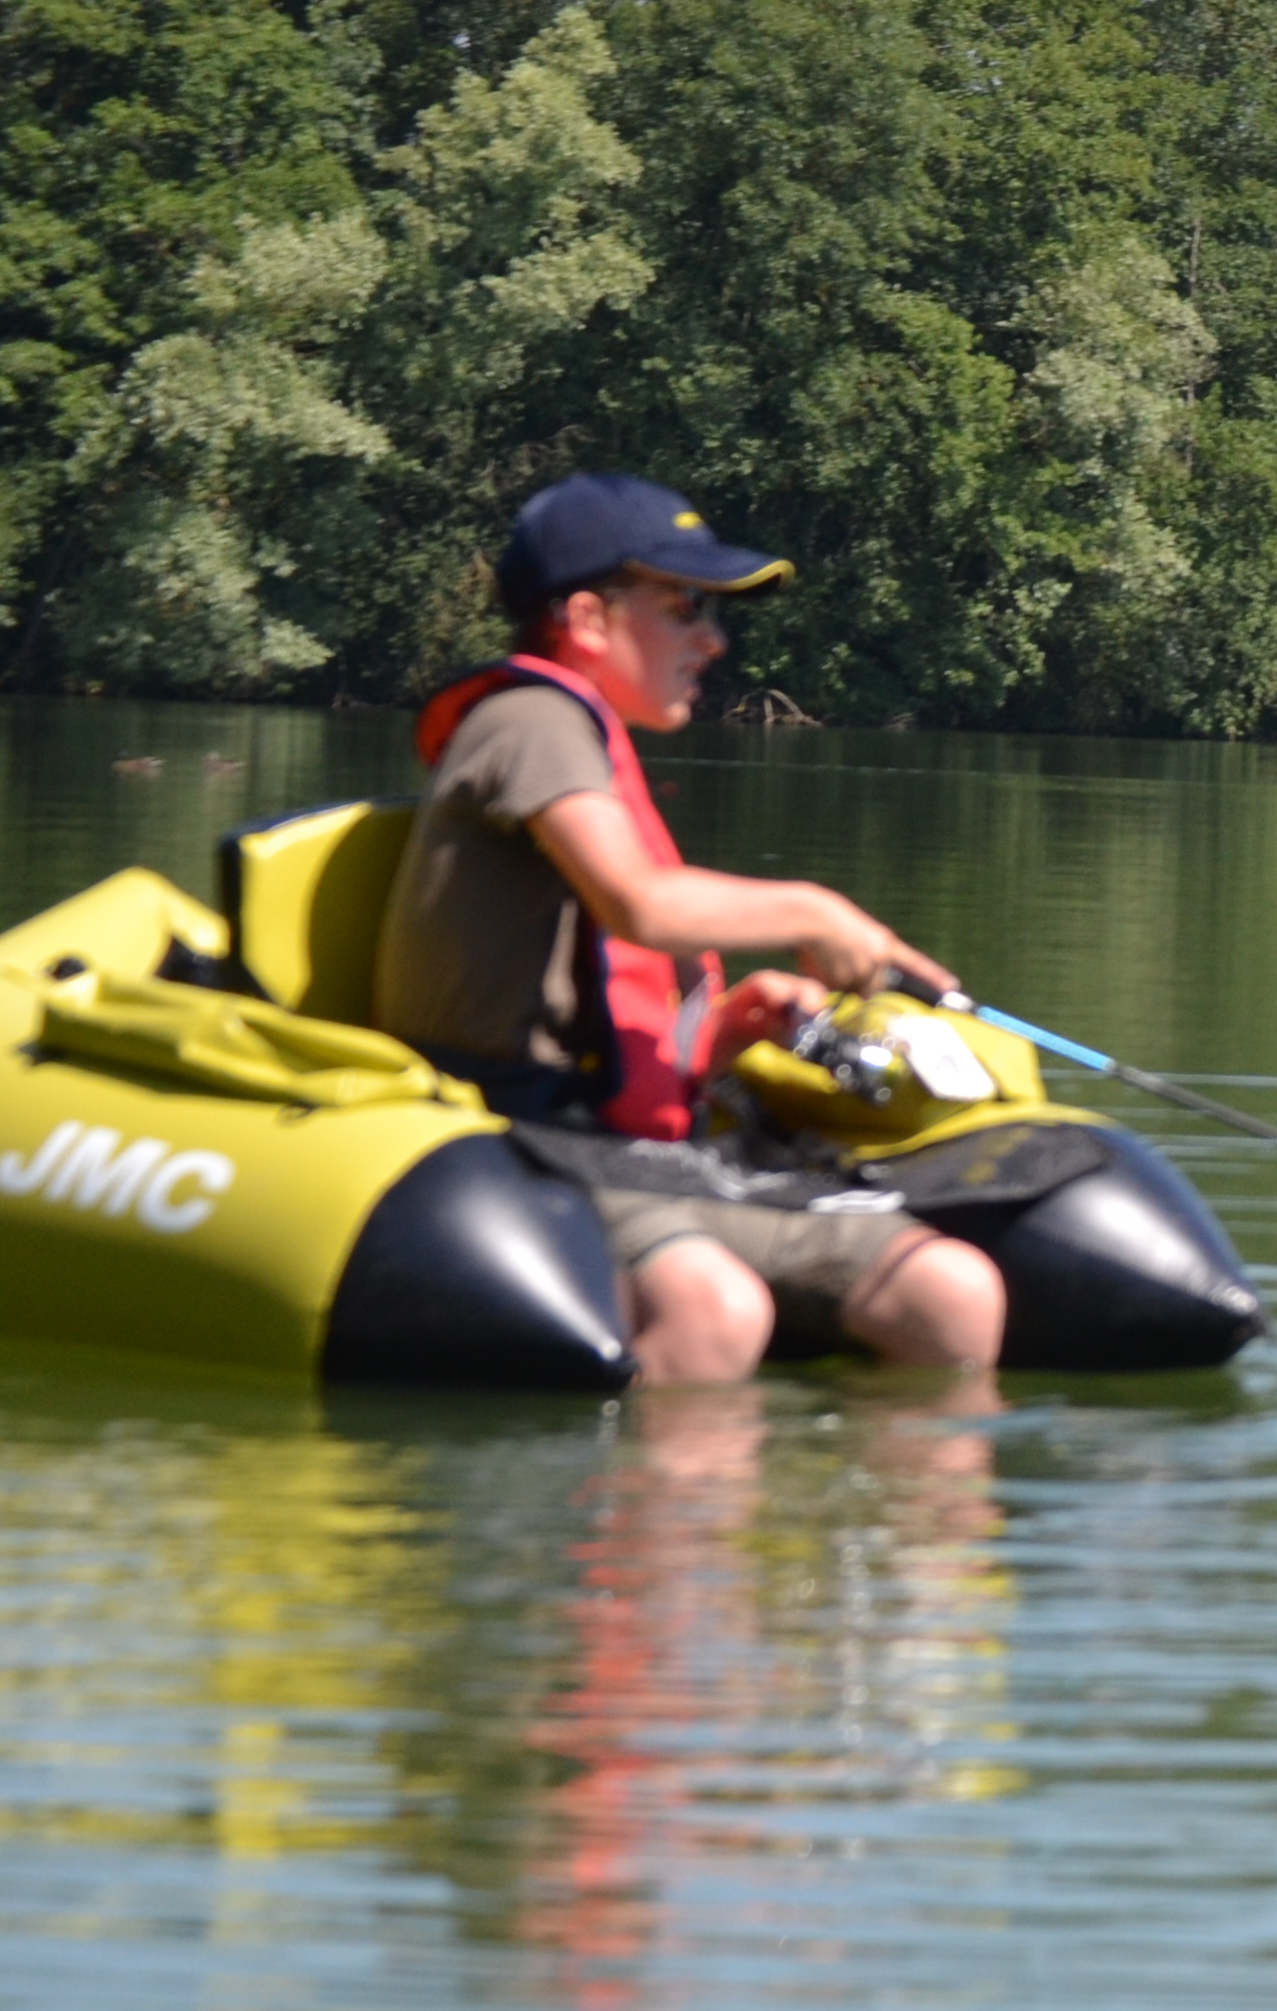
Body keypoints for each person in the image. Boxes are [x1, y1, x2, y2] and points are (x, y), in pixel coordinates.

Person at [371, 474, 1010, 1384]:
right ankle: (652, 1522)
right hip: (516, 1142)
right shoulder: (531, 720)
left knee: (953, 1293)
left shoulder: (585, 741)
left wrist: (719, 1036)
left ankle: (854, 1521)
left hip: (631, 1148)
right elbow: (639, 907)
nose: (714, 641)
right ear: (588, 619)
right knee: (716, 1311)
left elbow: (598, 994)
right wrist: (813, 910)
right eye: (684, 610)